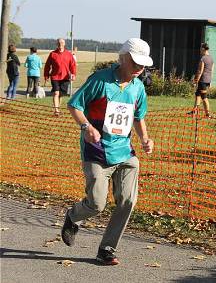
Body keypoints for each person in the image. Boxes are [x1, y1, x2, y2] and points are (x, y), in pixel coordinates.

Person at [62, 38, 154, 266]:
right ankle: (73, 216)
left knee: (128, 201)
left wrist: (144, 138)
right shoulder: (100, 80)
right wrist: (87, 127)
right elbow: (74, 105)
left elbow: (138, 117)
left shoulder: (138, 87)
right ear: (123, 58)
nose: (140, 69)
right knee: (96, 204)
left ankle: (107, 249)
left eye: (143, 65)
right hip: (98, 151)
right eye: (135, 63)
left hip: (125, 152)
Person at [44, 38, 76, 116]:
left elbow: (73, 65)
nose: (60, 44)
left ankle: (58, 108)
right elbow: (47, 65)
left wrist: (73, 74)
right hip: (55, 77)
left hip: (65, 77)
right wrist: (46, 75)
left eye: (61, 42)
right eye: (58, 42)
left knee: (61, 94)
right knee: (56, 93)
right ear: (56, 44)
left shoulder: (69, 54)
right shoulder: (52, 54)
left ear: (64, 44)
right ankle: (56, 110)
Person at [188, 43, 214, 117]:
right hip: (208, 80)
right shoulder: (211, 58)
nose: (200, 50)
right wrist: (210, 81)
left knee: (204, 97)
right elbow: (212, 71)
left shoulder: (203, 58)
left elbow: (200, 71)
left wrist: (196, 80)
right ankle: (194, 111)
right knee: (198, 95)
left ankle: (208, 114)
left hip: (202, 80)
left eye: (200, 48)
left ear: (203, 49)